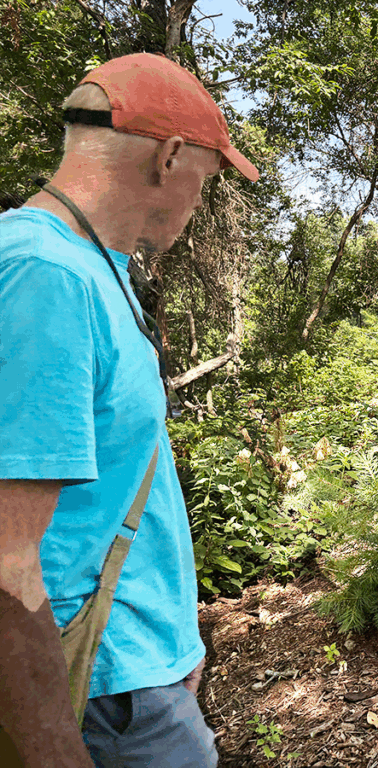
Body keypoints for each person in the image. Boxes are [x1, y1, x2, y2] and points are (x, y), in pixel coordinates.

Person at [0, 53, 258, 767]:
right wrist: (53, 751)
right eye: (205, 180)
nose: (200, 202)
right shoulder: (42, 275)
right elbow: (5, 556)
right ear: (169, 156)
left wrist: (177, 649)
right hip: (103, 701)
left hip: (137, 678)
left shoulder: (93, 269)